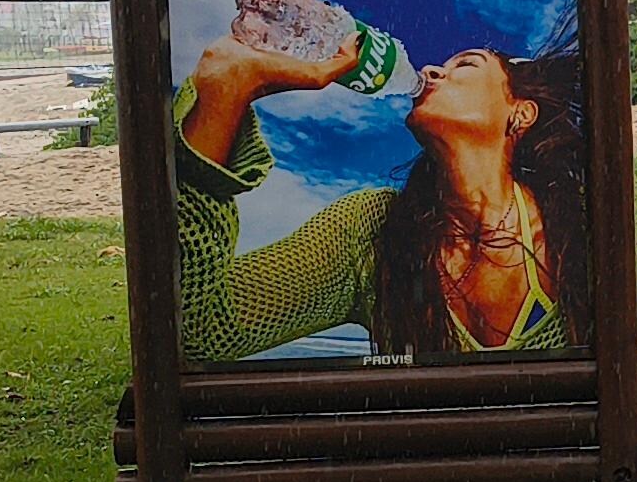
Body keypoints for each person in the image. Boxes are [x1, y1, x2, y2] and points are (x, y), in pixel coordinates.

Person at [172, 28, 590, 364]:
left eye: (466, 64)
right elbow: (202, 329)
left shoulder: (575, 224)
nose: (431, 71)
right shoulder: (370, 232)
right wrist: (226, 87)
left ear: (521, 113)